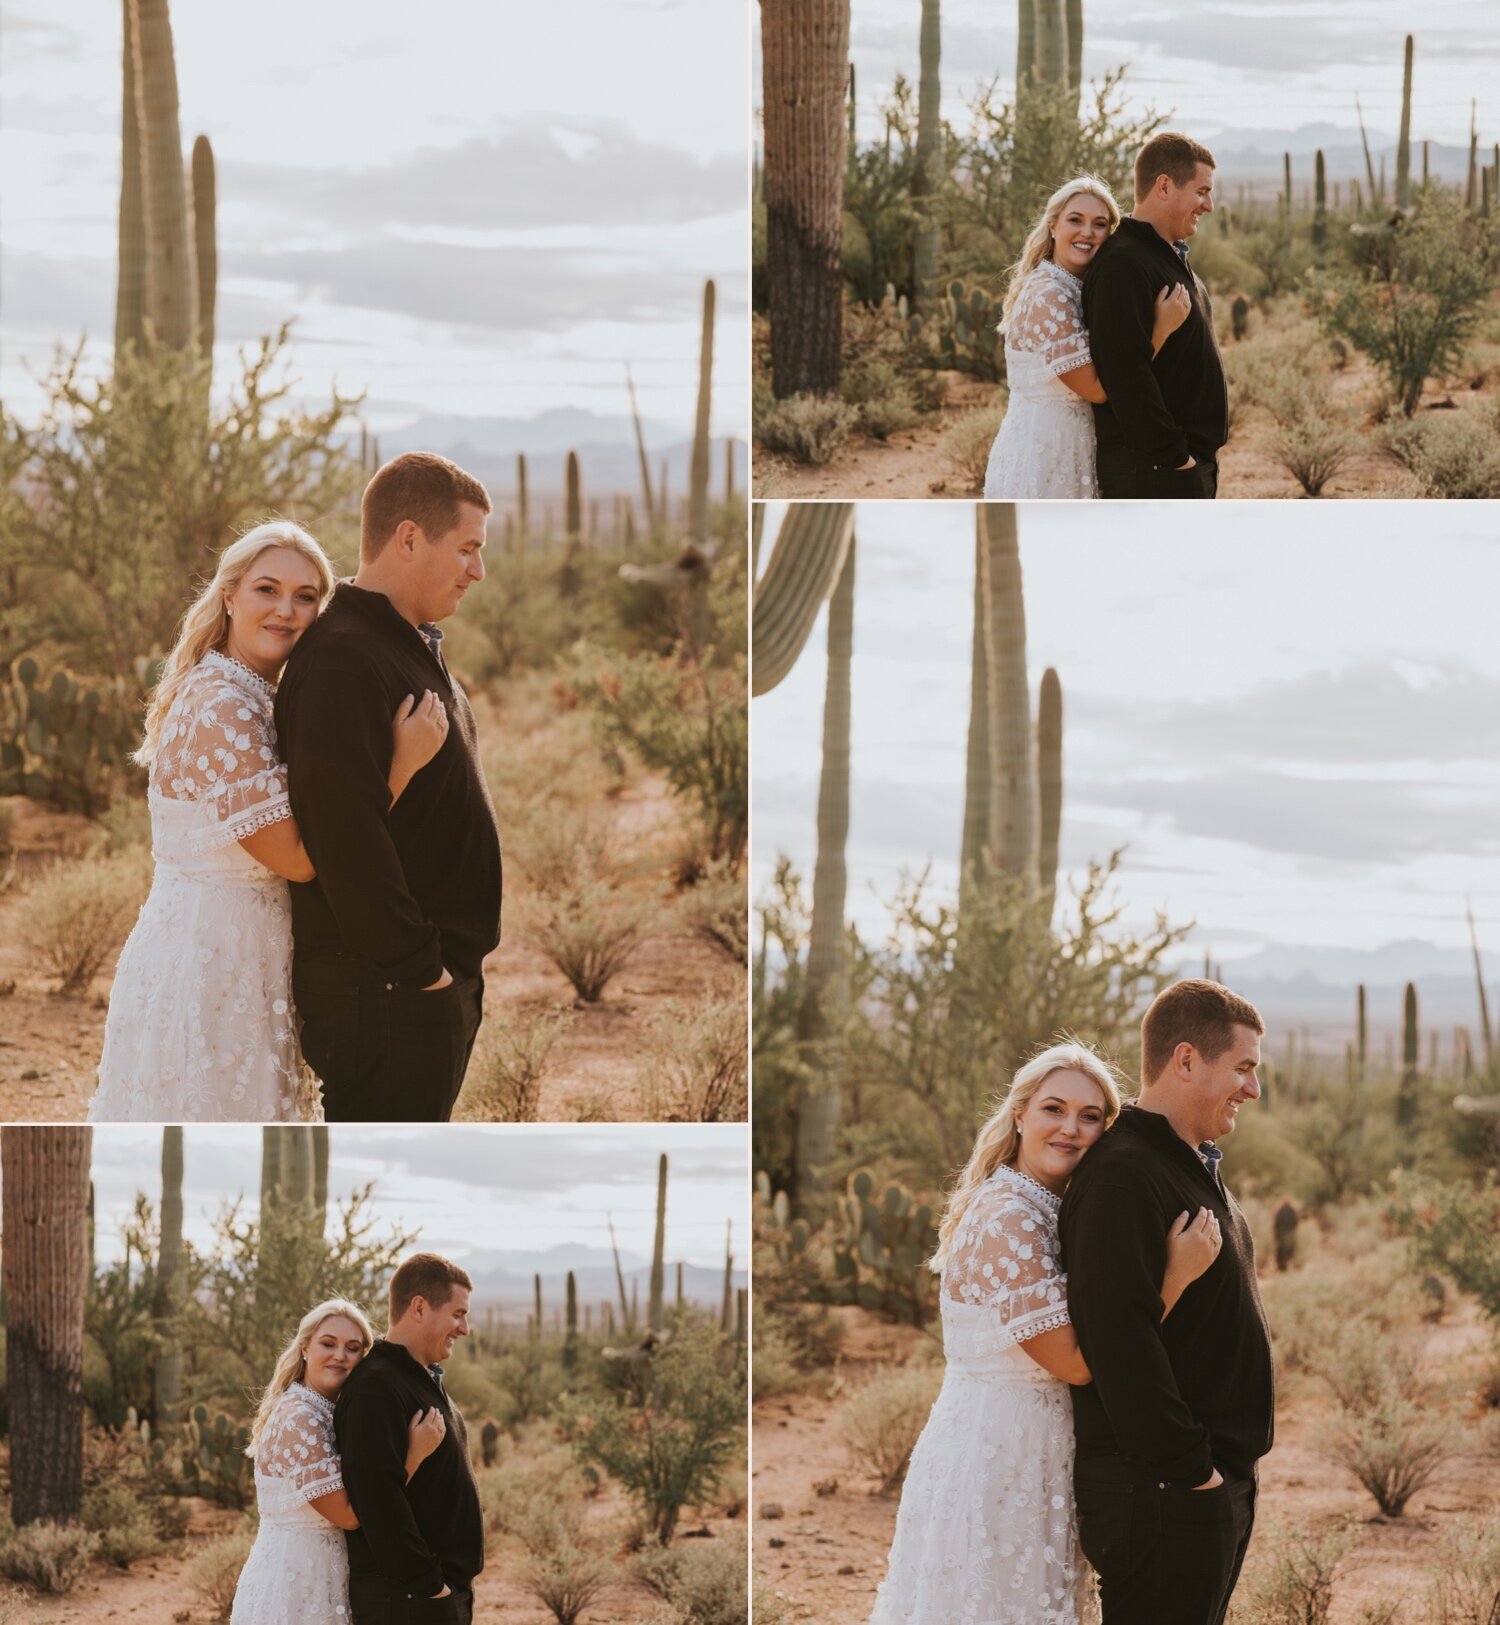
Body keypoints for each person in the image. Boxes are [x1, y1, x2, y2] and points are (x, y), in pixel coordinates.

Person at [89, 522, 449, 1122]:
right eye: (267, 590)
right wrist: (399, 765)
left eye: (306, 597)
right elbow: (301, 858)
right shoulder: (222, 705)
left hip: (252, 958)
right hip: (211, 967)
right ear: (229, 596)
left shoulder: (257, 692)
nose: (286, 610)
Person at [868, 1041, 1222, 1625]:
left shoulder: (1045, 1207)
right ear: (1019, 1115)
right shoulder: (1009, 1216)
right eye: (1053, 1110)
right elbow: (1078, 1363)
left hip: (1037, 1452)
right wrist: (1174, 1278)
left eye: (1090, 1117)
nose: (1070, 1129)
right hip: (999, 1456)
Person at [275, 453, 501, 1123]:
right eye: (466, 548)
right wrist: (420, 972)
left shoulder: (401, 642)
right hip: (389, 993)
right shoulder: (345, 657)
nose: (477, 570)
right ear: (408, 538)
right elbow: (344, 838)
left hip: (417, 987)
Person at [1060, 981, 1274, 1625]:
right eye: (1242, 1068)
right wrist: (1193, 1474)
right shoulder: (1125, 1175)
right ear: (1185, 1060)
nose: (1253, 1089)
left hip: (1195, 1486)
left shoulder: (1183, 1161)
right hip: (1162, 1491)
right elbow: (1117, 1342)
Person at [231, 1298, 446, 1625]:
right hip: (297, 1584)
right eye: (328, 1344)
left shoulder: (324, 1411)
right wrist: (413, 1453)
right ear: (305, 1348)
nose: (340, 1356)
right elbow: (347, 1515)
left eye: (353, 1348)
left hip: (326, 1575)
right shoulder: (299, 1418)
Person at [983, 175, 1192, 499]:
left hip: (1075, 446)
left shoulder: (1074, 286)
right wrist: (1160, 329)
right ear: (1053, 226)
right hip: (1047, 452)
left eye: (1100, 224)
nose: (1087, 232)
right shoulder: (1048, 293)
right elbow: (1096, 389)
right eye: (1075, 220)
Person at [335, 1253, 483, 1624]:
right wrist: (431, 1587)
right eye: (457, 1314)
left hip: (428, 1593)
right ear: (419, 1307)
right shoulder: (377, 1386)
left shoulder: (417, 1377)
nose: (464, 1328)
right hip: (408, 1599)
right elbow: (377, 1498)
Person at [1082, 133, 1229, 499]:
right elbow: (1124, 374)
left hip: (1174, 468)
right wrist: (1178, 459)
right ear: (1164, 186)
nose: (1209, 205)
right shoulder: (1124, 263)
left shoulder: (1161, 254)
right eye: (1201, 191)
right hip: (1155, 473)